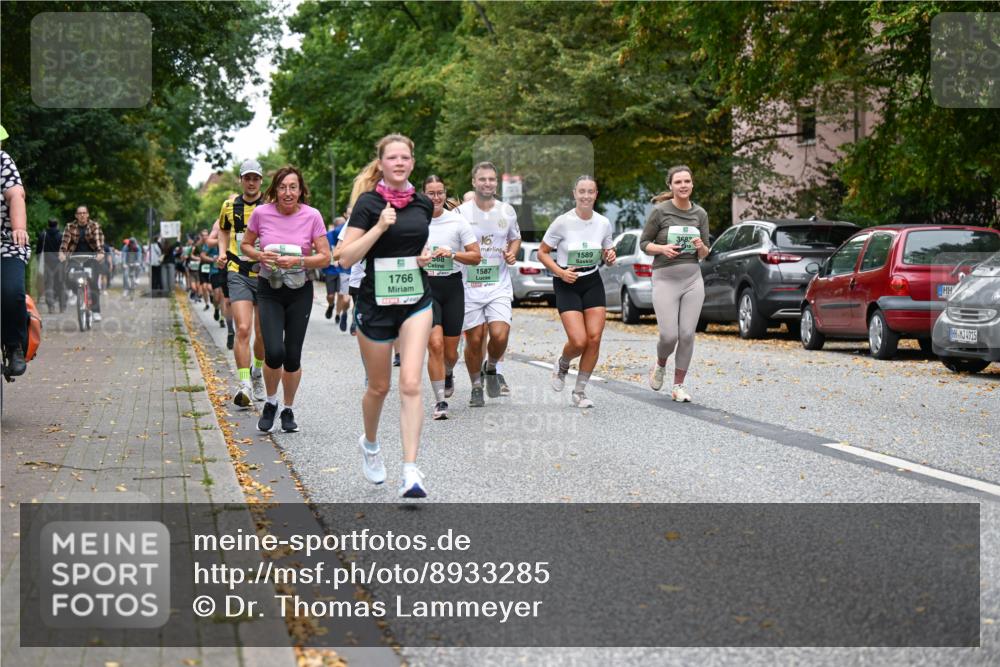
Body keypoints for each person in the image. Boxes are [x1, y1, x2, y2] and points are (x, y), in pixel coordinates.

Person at [339, 134, 434, 498]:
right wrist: (379, 227)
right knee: (379, 387)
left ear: (412, 162)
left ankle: (410, 471)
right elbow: (344, 258)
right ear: (381, 164)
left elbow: (416, 245)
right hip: (375, 303)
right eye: (392, 157)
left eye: (404, 157)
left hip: (415, 300)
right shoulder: (368, 203)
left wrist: (423, 256)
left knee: (410, 383)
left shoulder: (423, 204)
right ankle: (370, 444)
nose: (399, 163)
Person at [240, 166, 330, 433]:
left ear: (300, 190)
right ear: (275, 190)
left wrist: (298, 261)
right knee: (274, 352)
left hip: (300, 291)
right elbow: (245, 245)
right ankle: (270, 402)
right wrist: (260, 256)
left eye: (293, 187)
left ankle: (288, 409)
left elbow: (325, 257)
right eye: (282, 187)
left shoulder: (312, 215)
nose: (288, 192)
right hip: (269, 289)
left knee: (292, 356)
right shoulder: (261, 213)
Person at [537, 176, 616, 408]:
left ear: (596, 194)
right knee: (579, 341)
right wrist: (560, 273)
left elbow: (608, 253)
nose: (586, 196)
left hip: (592, 279)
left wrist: (610, 256)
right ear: (574, 194)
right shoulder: (562, 222)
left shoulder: (603, 223)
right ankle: (563, 364)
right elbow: (542, 252)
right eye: (582, 191)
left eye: (590, 191)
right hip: (567, 282)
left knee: (594, 338)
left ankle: (579, 392)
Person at [639, 165, 710, 402]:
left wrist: (700, 247)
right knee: (669, 336)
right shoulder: (660, 212)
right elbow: (644, 244)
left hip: (692, 279)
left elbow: (705, 253)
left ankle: (679, 385)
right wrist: (662, 249)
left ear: (692, 184)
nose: (683, 185)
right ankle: (660, 364)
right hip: (665, 278)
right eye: (678, 182)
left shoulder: (700, 214)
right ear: (670, 185)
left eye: (687, 181)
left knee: (687, 334)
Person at [456, 162, 521, 408]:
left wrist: (512, 253)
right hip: (469, 286)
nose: (487, 183)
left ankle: (491, 367)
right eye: (482, 179)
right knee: (474, 341)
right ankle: (475, 386)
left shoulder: (507, 211)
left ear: (496, 182)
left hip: (498, 284)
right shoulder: (461, 213)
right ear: (474, 182)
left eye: (491, 179)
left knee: (500, 334)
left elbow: (515, 238)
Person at [423, 175, 480, 419]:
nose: (436, 198)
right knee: (434, 345)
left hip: (452, 287)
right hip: (426, 287)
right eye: (431, 193)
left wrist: (453, 254)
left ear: (445, 194)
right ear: (423, 195)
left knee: (450, 352)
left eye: (440, 193)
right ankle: (440, 402)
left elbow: (475, 256)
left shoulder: (457, 222)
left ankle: (448, 371)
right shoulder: (417, 221)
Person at [218, 160, 268, 406]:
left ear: (261, 181)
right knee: (244, 329)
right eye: (247, 178)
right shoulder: (229, 206)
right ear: (241, 180)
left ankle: (257, 372)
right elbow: (223, 230)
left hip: (266, 274)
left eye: (255, 178)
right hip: (238, 271)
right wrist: (222, 252)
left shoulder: (269, 206)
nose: (251, 182)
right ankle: (245, 384)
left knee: (263, 334)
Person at [1, 126, 30, 376]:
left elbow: (16, 195)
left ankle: (14, 346)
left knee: (11, 292)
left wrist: (18, 228)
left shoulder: (3, 162)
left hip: (6, 243)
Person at [58, 205, 106, 322]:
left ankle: (96, 311)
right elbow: (65, 243)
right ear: (76, 215)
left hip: (91, 258)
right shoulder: (70, 226)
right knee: (69, 275)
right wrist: (62, 253)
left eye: (84, 213)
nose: (82, 215)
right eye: (79, 213)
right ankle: (76, 293)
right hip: (75, 258)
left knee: (93, 283)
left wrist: (100, 253)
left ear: (88, 214)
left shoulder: (94, 226)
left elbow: (99, 242)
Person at [36, 218, 65, 313]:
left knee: (48, 285)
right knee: (60, 284)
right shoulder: (61, 236)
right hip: (59, 263)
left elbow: (39, 250)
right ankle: (62, 306)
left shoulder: (43, 235)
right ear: (57, 225)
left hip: (47, 263)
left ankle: (51, 306)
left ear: (48, 224)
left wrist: (39, 260)